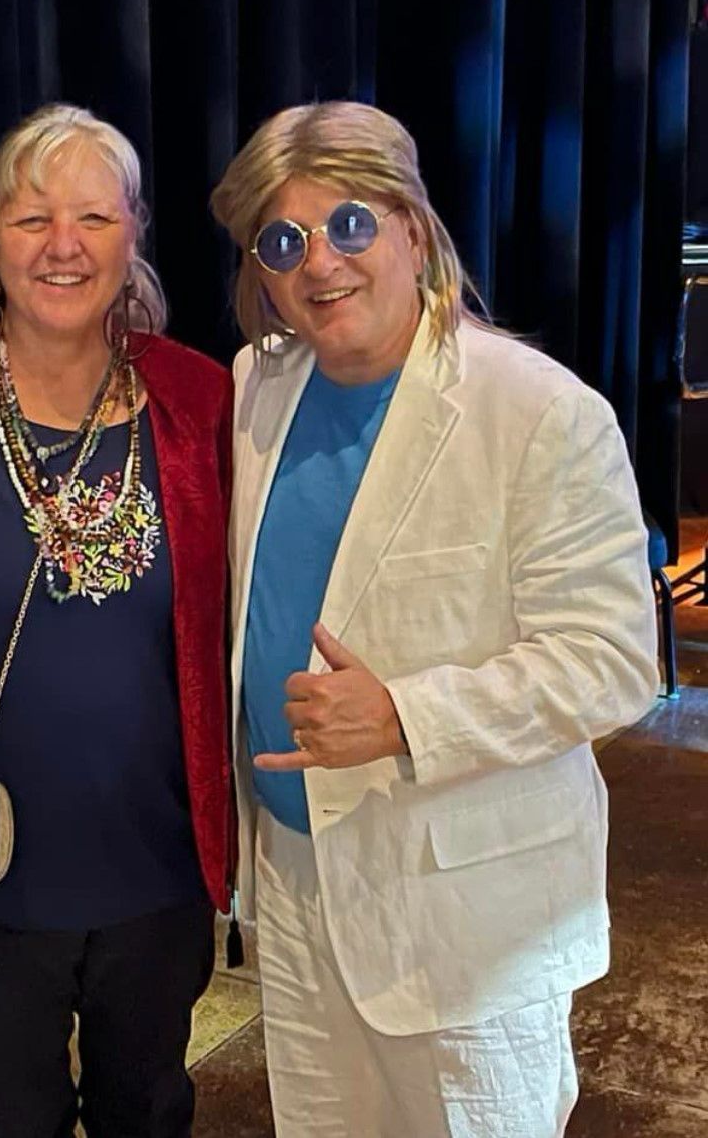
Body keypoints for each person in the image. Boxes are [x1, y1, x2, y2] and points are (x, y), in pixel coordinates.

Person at [210, 100, 658, 1137]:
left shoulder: (540, 411)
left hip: (467, 911)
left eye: (352, 223)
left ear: (414, 228)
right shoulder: (256, 388)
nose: (322, 261)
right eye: (285, 240)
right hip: (297, 882)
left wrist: (408, 715)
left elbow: (612, 657)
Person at [0, 103, 233, 1138]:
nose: (63, 246)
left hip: (156, 857)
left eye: (93, 218)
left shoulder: (204, 402)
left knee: (150, 1104)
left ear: (133, 232)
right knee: (5, 1113)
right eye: (31, 219)